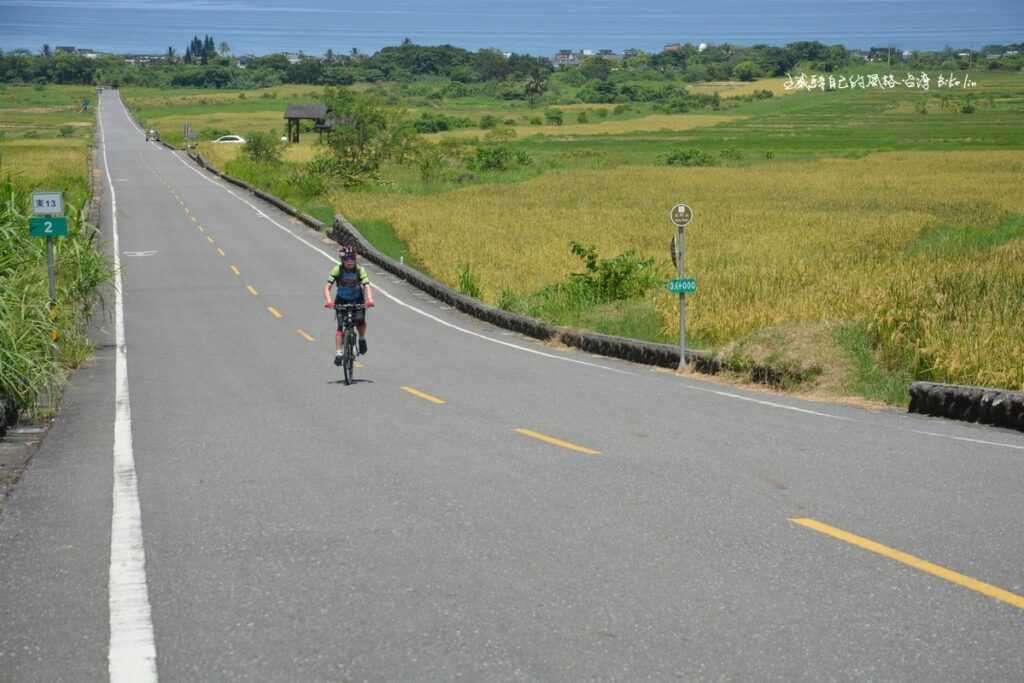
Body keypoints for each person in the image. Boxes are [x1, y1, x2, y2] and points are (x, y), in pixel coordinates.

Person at [323, 246, 374, 365]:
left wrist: (370, 299)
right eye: (347, 258)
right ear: (342, 260)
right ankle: (339, 352)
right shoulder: (337, 269)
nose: (350, 261)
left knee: (360, 321)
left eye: (352, 258)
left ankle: (361, 339)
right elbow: (327, 287)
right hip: (341, 300)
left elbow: (367, 286)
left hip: (358, 300)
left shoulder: (360, 270)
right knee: (340, 326)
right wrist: (329, 300)